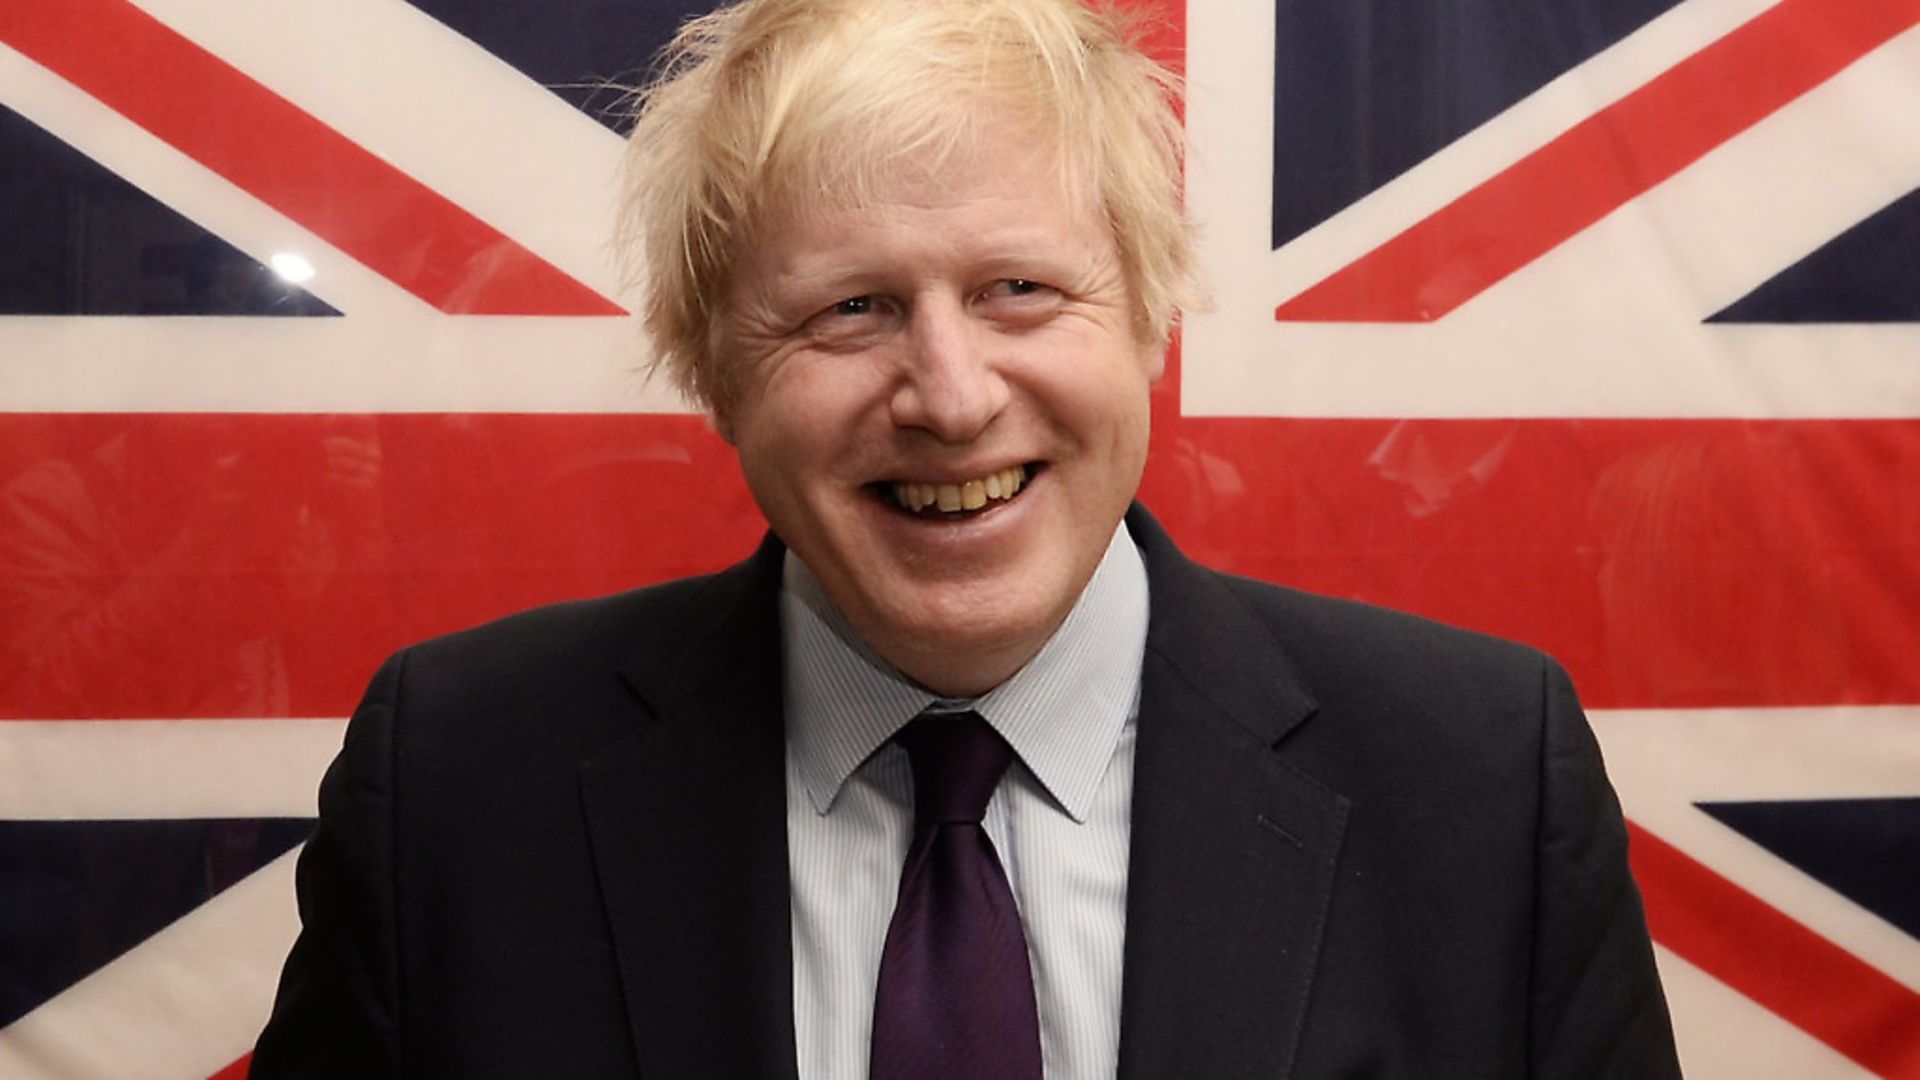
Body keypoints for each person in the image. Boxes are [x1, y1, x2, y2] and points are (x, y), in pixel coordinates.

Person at [251, 0, 1681, 1076]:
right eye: (849, 309)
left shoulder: (1486, 782)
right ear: (712, 372)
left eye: (1017, 288)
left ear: (1149, 315)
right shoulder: (454, 783)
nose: (949, 396)